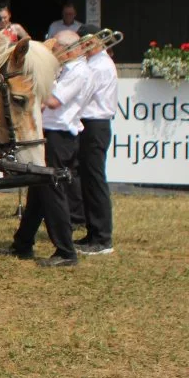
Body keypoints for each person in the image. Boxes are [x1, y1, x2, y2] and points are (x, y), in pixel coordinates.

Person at [0, 29, 91, 267]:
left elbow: (53, 101)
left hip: (60, 137)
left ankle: (65, 251)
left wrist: (36, 81)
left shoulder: (78, 72)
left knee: (53, 192)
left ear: (67, 49)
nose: (54, 55)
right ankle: (23, 242)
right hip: (51, 134)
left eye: (56, 50)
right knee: (38, 193)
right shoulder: (68, 70)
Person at [71, 24, 117, 256]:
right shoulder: (96, 63)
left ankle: (102, 237)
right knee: (88, 180)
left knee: (95, 180)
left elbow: (81, 96)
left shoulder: (99, 65)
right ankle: (93, 232)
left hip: (95, 125)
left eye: (83, 43)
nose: (81, 48)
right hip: (91, 125)